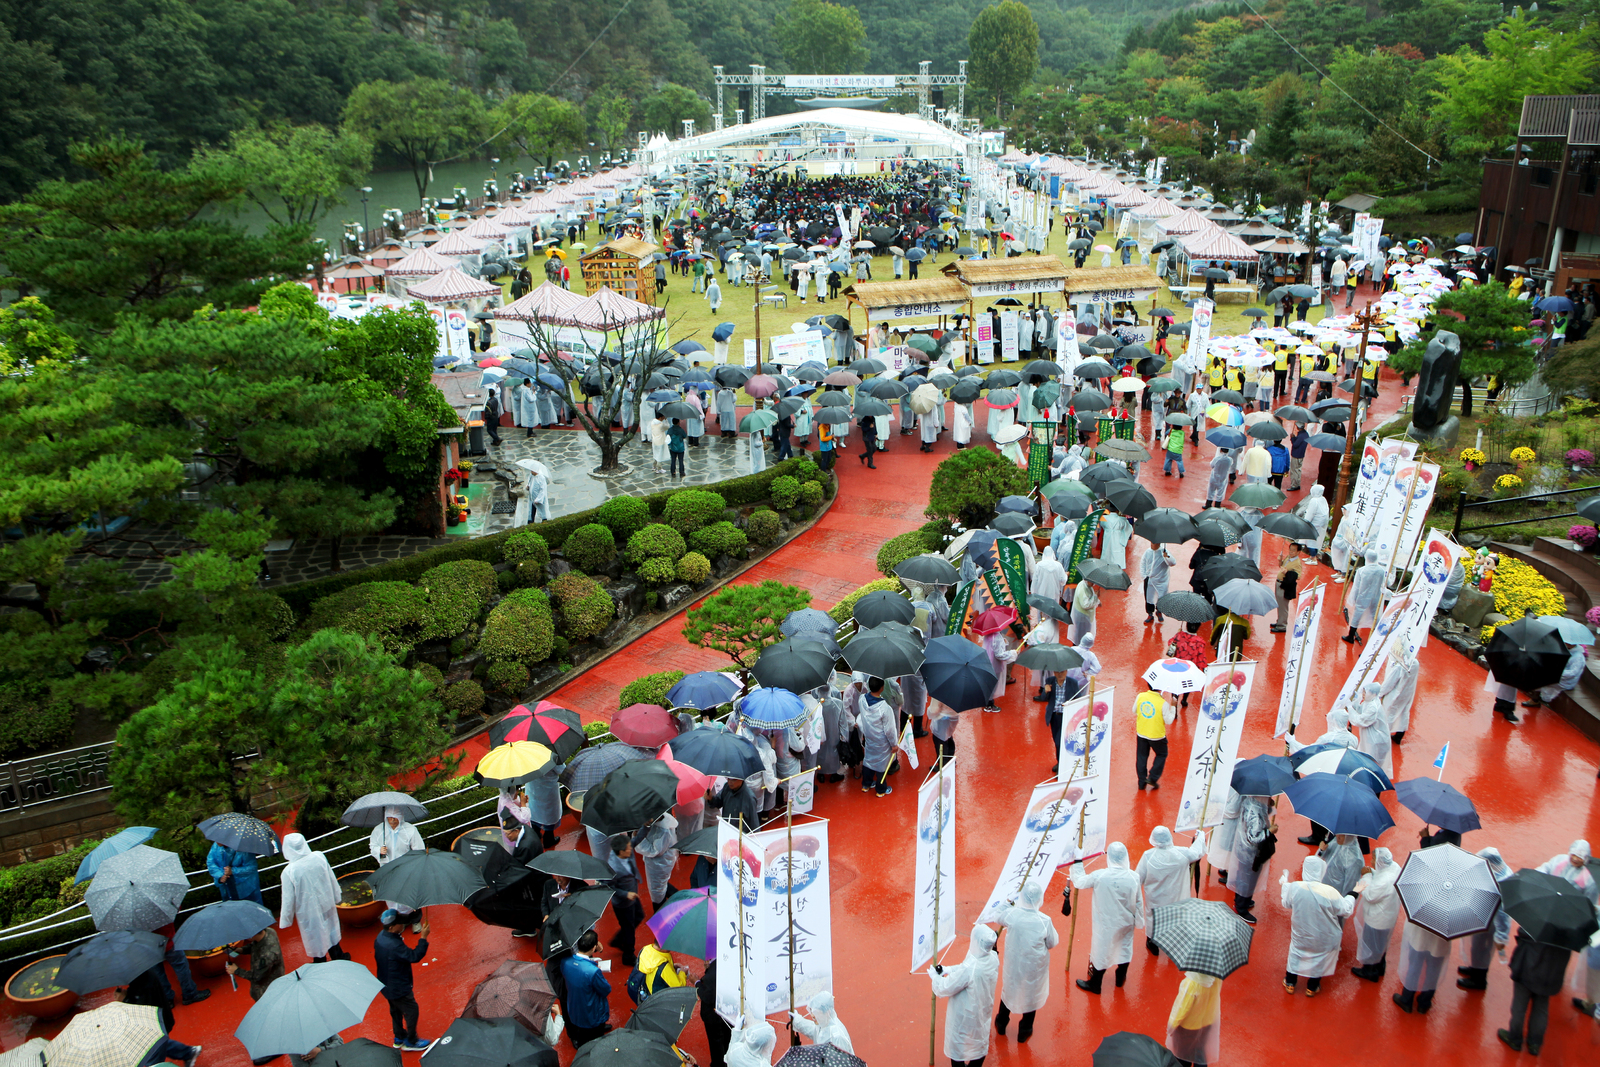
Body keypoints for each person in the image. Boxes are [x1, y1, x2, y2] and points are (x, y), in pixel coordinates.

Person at [1070, 842, 1142, 994]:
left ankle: (1095, 984)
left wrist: (1078, 861)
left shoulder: (1100, 876)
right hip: (1126, 922)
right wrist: (1139, 921)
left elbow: (1080, 881)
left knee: (1101, 951)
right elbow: (1138, 901)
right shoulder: (1134, 877)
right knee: (1124, 948)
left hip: (1105, 924)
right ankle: (1120, 978)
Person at [1280, 855, 1355, 996]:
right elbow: (1345, 910)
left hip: (1301, 933)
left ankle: (1290, 982)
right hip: (1323, 936)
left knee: (1296, 954)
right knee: (1319, 958)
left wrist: (1285, 884)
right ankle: (1312, 987)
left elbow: (1286, 903)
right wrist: (1352, 894)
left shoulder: (1295, 887)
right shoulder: (1329, 891)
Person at [993, 882, 1057, 1042]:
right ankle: (1025, 1029)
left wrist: (1009, 901)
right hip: (1034, 966)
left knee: (1009, 990)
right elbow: (1052, 942)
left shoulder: (1013, 915)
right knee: (1031, 995)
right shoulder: (1044, 920)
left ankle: (1001, 1022)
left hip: (1015, 964)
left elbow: (998, 915)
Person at [930, 924, 1001, 1067]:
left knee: (958, 1049)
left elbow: (945, 987)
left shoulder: (971, 968)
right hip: (981, 1011)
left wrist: (936, 978)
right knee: (978, 1045)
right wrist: (948, 969)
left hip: (964, 1015)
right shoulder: (993, 958)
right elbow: (965, 967)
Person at [1499, 925, 1573, 1054]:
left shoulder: (1538, 919)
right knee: (1541, 1008)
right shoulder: (1572, 929)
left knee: (1519, 1006)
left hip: (1528, 966)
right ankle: (1535, 1043)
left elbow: (1523, 932)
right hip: (1550, 974)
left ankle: (1514, 1038)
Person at [278, 833, 346, 963]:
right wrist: (337, 896)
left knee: (315, 936)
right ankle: (339, 957)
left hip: (308, 911)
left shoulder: (289, 871)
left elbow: (288, 899)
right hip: (326, 902)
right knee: (331, 929)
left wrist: (286, 920)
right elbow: (332, 878)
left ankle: (320, 963)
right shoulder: (319, 856)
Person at [1138, 827, 1207, 956]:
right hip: (1177, 898)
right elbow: (1197, 852)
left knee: (1154, 919)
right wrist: (1200, 837)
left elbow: (1138, 878)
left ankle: (1152, 942)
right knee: (1175, 919)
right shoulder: (1181, 853)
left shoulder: (1148, 856)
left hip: (1156, 900)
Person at [1456, 846, 1514, 989]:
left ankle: (1479, 980)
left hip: (1491, 924)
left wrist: (1501, 937)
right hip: (1485, 920)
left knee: (1483, 950)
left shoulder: (1500, 883)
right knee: (1477, 947)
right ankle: (1475, 969)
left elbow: (1503, 915)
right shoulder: (1499, 872)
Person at [373, 909, 430, 1050]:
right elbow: (414, 956)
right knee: (412, 1010)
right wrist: (423, 938)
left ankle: (398, 1037)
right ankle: (411, 1040)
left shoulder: (380, 937)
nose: (403, 925)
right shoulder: (395, 945)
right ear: (392, 927)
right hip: (398, 986)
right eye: (400, 923)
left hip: (385, 984)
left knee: (395, 1010)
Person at [123, 965, 200, 1067]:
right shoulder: (140, 974)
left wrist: (125, 999)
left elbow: (143, 1007)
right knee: (159, 1044)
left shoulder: (144, 981)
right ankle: (188, 1052)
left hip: (154, 1022)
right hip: (157, 1022)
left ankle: (188, 1052)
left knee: (153, 1054)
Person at [1350, 847, 1402, 981]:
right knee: (1381, 944)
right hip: (1388, 916)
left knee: (1371, 944)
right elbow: (1380, 876)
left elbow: (1370, 895)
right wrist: (1372, 872)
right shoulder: (1394, 867)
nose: (1372, 861)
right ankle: (1380, 967)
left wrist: (1367, 876)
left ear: (1380, 861)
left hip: (1377, 919)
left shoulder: (1384, 880)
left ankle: (1369, 971)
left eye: (1374, 859)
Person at [369, 808, 425, 925]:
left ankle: (415, 920)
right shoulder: (379, 830)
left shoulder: (410, 830)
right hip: (388, 870)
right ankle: (399, 921)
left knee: (410, 894)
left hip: (406, 869)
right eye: (390, 818)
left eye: (395, 818)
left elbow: (419, 849)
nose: (392, 821)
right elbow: (372, 845)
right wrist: (379, 850)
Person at [561, 928, 613, 1048]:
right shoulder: (593, 971)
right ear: (594, 948)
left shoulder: (565, 962)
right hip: (592, 1014)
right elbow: (606, 989)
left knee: (583, 1039)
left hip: (575, 1011)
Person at [1229, 796, 1275, 924]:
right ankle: (1240, 907)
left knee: (1244, 876)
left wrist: (1269, 806)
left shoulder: (1250, 801)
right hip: (1251, 853)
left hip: (1243, 849)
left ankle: (1244, 899)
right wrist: (1269, 832)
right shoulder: (1254, 813)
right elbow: (1254, 837)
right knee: (1247, 879)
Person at [852, 677, 897, 796]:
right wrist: (894, 744)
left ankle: (866, 784)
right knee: (882, 764)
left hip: (868, 737)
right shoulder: (885, 708)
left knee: (869, 760)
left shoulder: (862, 699)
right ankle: (881, 789)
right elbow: (890, 730)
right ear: (882, 688)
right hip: (882, 741)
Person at [605, 834, 646, 965]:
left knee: (639, 916)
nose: (631, 849)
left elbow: (637, 840)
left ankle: (618, 939)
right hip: (623, 903)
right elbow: (608, 887)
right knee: (629, 929)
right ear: (621, 852)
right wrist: (625, 894)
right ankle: (628, 956)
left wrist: (646, 827)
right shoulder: (612, 868)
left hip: (632, 896)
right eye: (628, 848)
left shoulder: (625, 851)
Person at [1346, 681, 1394, 776]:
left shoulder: (1373, 707)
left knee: (1372, 764)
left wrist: (1350, 709)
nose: (1363, 694)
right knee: (1367, 760)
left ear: (1373, 694)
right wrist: (1355, 702)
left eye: (1365, 692)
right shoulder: (1370, 702)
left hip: (1376, 741)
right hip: (1372, 739)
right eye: (1363, 692)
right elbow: (1361, 710)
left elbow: (1360, 720)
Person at [1134, 679, 1175, 790]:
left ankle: (1141, 782)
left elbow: (1134, 710)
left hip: (1142, 732)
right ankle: (1152, 777)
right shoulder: (1163, 703)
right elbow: (1169, 720)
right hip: (1157, 735)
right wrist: (1173, 707)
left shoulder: (1140, 696)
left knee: (1141, 757)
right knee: (1162, 754)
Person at [633, 812, 680, 907]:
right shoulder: (664, 821)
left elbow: (654, 851)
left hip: (659, 864)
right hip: (662, 861)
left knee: (657, 890)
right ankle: (678, 897)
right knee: (661, 884)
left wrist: (638, 837)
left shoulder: (663, 831)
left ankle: (660, 909)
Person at [1380, 642, 1420, 744]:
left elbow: (1389, 683)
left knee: (1389, 712)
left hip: (1396, 693)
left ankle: (1384, 736)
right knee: (1404, 712)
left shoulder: (1400, 665)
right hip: (1407, 693)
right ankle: (1399, 735)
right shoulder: (1415, 663)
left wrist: (1380, 693)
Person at [1345, 548, 1385, 643]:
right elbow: (1385, 584)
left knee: (1357, 616)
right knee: (1375, 616)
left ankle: (1350, 636)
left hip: (1363, 597)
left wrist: (1353, 599)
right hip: (1376, 597)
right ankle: (1378, 637)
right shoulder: (1381, 571)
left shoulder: (1362, 570)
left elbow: (1356, 586)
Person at [698, 959, 732, 1067]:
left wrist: (697, 983)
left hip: (714, 1016)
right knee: (728, 1038)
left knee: (716, 1043)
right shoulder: (726, 962)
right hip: (728, 1011)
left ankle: (719, 1064)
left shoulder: (712, 973)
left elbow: (708, 996)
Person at [206, 842, 264, 906]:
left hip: (245, 889)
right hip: (226, 887)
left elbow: (252, 867)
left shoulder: (243, 847)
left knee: (249, 907)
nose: (216, 841)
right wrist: (220, 875)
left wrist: (233, 871)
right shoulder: (216, 846)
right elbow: (210, 862)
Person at [1293, 484, 1329, 556]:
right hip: (1320, 524)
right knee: (1316, 541)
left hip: (1314, 523)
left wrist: (1305, 522)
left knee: (1311, 542)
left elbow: (1310, 513)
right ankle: (1312, 556)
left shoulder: (1314, 500)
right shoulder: (1323, 499)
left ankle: (1313, 557)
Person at [1271, 557, 1301, 634]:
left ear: (1298, 552)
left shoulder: (1297, 563)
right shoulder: (1288, 557)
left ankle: (1282, 626)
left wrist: (1287, 573)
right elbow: (1281, 566)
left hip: (1285, 586)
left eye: (1293, 551)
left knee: (1283, 606)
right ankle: (1279, 622)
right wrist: (1280, 560)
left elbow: (1298, 576)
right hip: (1279, 583)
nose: (1291, 552)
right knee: (1279, 604)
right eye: (1290, 550)